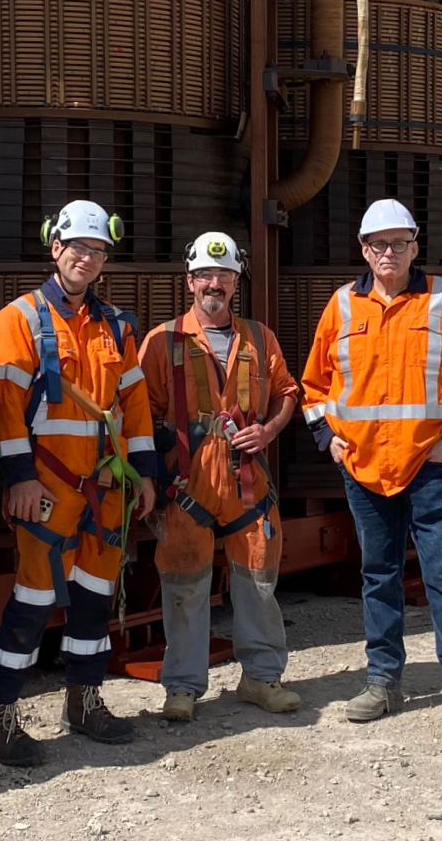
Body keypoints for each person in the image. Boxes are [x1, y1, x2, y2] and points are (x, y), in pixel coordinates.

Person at [301, 198, 442, 737]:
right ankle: (383, 682)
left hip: (430, 467)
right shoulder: (342, 306)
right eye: (379, 245)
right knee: (378, 578)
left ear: (415, 246)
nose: (388, 253)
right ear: (364, 250)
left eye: (399, 243)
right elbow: (314, 386)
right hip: (365, 469)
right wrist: (328, 437)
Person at [0, 200, 156, 764]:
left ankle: (84, 700)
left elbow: (135, 406)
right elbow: (3, 408)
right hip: (47, 488)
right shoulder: (21, 319)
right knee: (32, 598)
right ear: (54, 248)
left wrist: (145, 474)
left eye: (98, 249)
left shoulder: (116, 326)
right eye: (77, 246)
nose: (86, 257)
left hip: (106, 488)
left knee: (94, 598)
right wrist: (20, 478)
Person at [139, 232, 301, 721]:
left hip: (248, 481)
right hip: (188, 485)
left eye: (225, 275)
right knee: (185, 585)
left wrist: (269, 431)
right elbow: (139, 413)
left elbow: (287, 391)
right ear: (190, 281)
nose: (216, 283)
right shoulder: (162, 341)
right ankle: (183, 688)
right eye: (206, 275)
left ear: (236, 281)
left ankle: (262, 678)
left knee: (257, 582)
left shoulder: (259, 337)